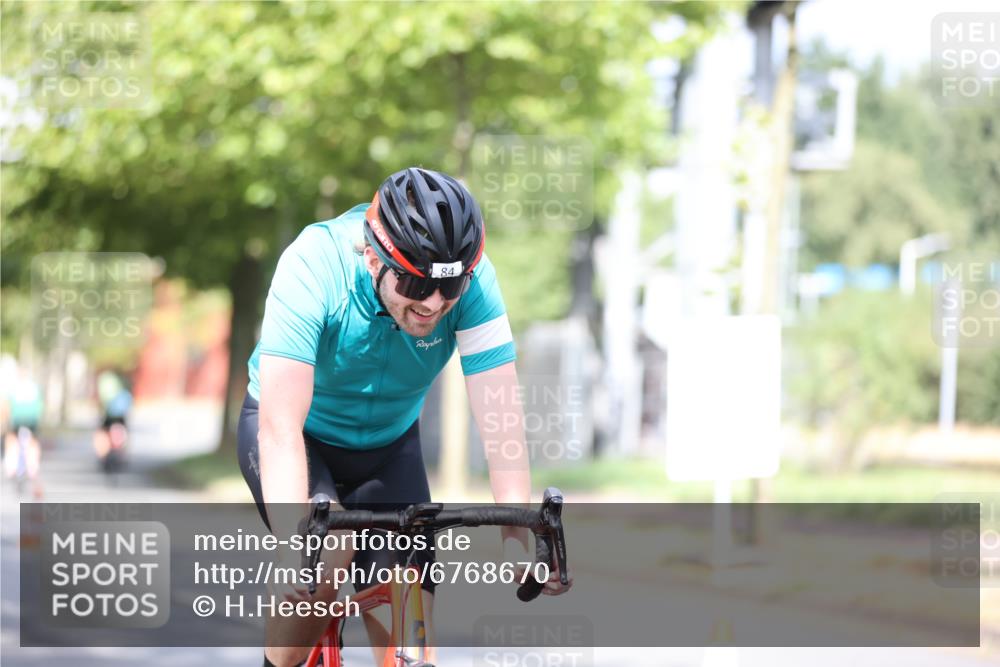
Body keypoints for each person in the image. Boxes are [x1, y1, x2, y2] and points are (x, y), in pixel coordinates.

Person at [238, 167, 570, 667]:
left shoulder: (476, 282)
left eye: (449, 285)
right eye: (415, 282)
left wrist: (514, 537)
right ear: (373, 257)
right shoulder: (313, 264)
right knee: (325, 557)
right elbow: (280, 429)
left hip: (389, 448)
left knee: (408, 618)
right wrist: (292, 547)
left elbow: (501, 415)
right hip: (298, 437)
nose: (433, 302)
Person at [2, 365, 44, 498]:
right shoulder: (35, 387)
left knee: (11, 440)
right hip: (32, 420)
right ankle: (33, 468)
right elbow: (40, 406)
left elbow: (6, 406)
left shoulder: (13, 387)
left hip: (16, 420)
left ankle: (11, 467)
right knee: (33, 444)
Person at [93, 369, 132, 473]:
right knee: (120, 433)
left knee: (103, 434)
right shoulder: (122, 379)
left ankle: (104, 455)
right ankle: (120, 454)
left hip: (109, 414)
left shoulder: (104, 378)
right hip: (118, 415)